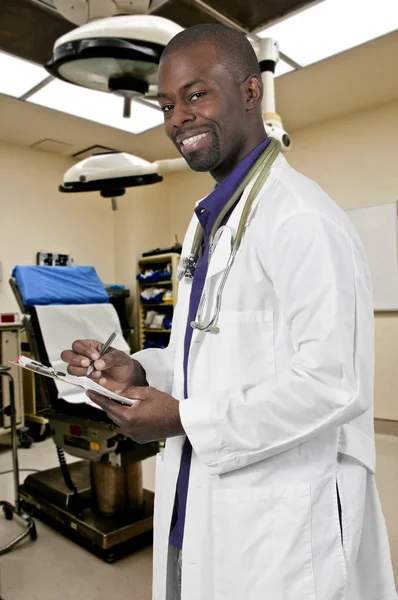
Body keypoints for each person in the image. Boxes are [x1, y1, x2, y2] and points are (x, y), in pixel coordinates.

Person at [61, 24, 397, 600]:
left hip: (281, 517)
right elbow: (201, 356)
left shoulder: (302, 220)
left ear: (250, 92)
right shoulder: (205, 226)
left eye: (196, 95)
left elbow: (334, 384)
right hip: (203, 493)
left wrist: (182, 419)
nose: (177, 119)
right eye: (167, 104)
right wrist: (140, 373)